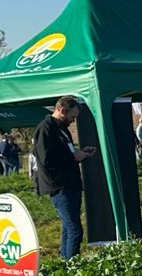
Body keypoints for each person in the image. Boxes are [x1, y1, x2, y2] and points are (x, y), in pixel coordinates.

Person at [32, 96, 97, 258]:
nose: (73, 121)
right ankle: (72, 265)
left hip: (71, 183)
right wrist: (73, 157)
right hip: (60, 186)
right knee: (75, 230)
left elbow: (64, 152)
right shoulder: (45, 129)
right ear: (62, 110)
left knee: (68, 228)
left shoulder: (61, 128)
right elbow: (46, 159)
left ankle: (65, 263)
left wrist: (80, 153)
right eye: (72, 117)